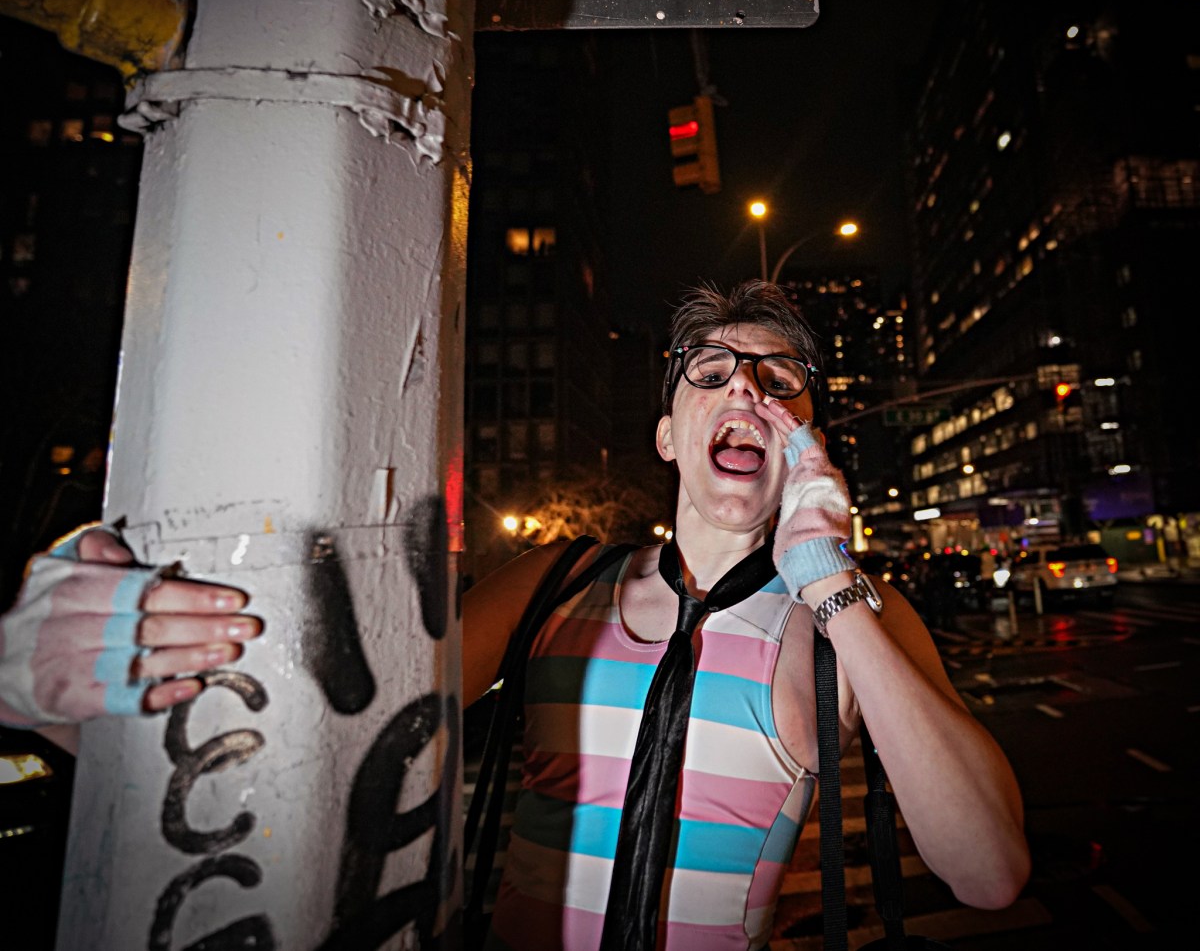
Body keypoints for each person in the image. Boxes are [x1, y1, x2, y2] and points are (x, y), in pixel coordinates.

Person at [0, 280, 1030, 949]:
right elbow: (327, 752)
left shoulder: (852, 613)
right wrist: (66, 695)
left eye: (780, 381)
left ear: (807, 436)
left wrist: (828, 578)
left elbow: (986, 871)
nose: (746, 391)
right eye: (710, 372)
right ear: (669, 432)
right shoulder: (552, 583)